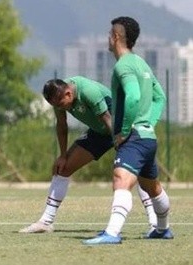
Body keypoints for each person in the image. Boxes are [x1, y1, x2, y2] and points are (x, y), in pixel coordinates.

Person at [19, 77, 158, 233]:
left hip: (119, 128)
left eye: (60, 104)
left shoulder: (88, 91)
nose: (59, 108)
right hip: (99, 132)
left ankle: (155, 224)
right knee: (63, 168)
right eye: (55, 106)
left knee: (139, 173)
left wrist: (122, 147)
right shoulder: (58, 98)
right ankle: (46, 222)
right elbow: (62, 125)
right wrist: (63, 156)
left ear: (68, 94)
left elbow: (108, 120)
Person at [83, 16, 173, 245]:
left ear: (116, 37)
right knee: (152, 187)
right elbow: (160, 97)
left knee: (120, 178)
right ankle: (163, 229)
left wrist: (123, 131)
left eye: (109, 34)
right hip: (147, 137)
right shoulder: (141, 63)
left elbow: (132, 96)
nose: (108, 38)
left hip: (133, 137)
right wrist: (148, 123)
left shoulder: (123, 65)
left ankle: (112, 233)